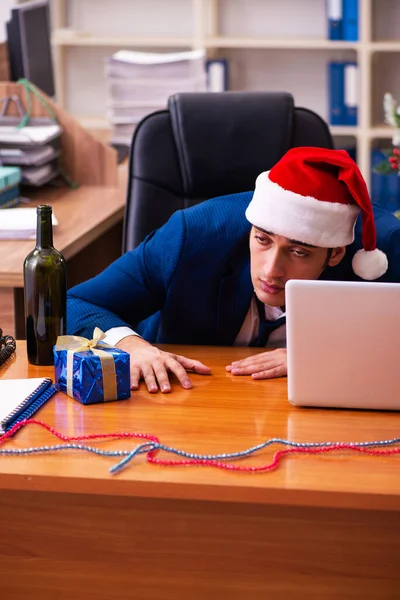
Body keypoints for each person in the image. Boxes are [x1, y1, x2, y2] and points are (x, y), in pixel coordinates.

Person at [67, 147, 399, 393]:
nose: (271, 270)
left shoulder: (383, 250)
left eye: (298, 251)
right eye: (263, 240)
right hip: (186, 403)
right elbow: (77, 303)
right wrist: (132, 345)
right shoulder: (192, 235)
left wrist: (321, 356)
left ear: (336, 253)